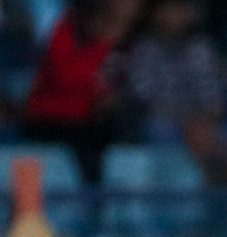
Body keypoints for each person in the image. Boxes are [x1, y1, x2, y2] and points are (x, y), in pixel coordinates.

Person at [21, 0, 142, 182]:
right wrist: (104, 44)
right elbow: (65, 77)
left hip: (98, 121)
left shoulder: (136, 37)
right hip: (51, 118)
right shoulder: (70, 28)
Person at [122, 0, 222, 152]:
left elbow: (213, 94)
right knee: (158, 127)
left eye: (180, 10)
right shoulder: (143, 48)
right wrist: (186, 121)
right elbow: (146, 98)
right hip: (164, 121)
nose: (175, 16)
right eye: (169, 11)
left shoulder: (201, 48)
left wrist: (204, 120)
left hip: (200, 122)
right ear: (155, 15)